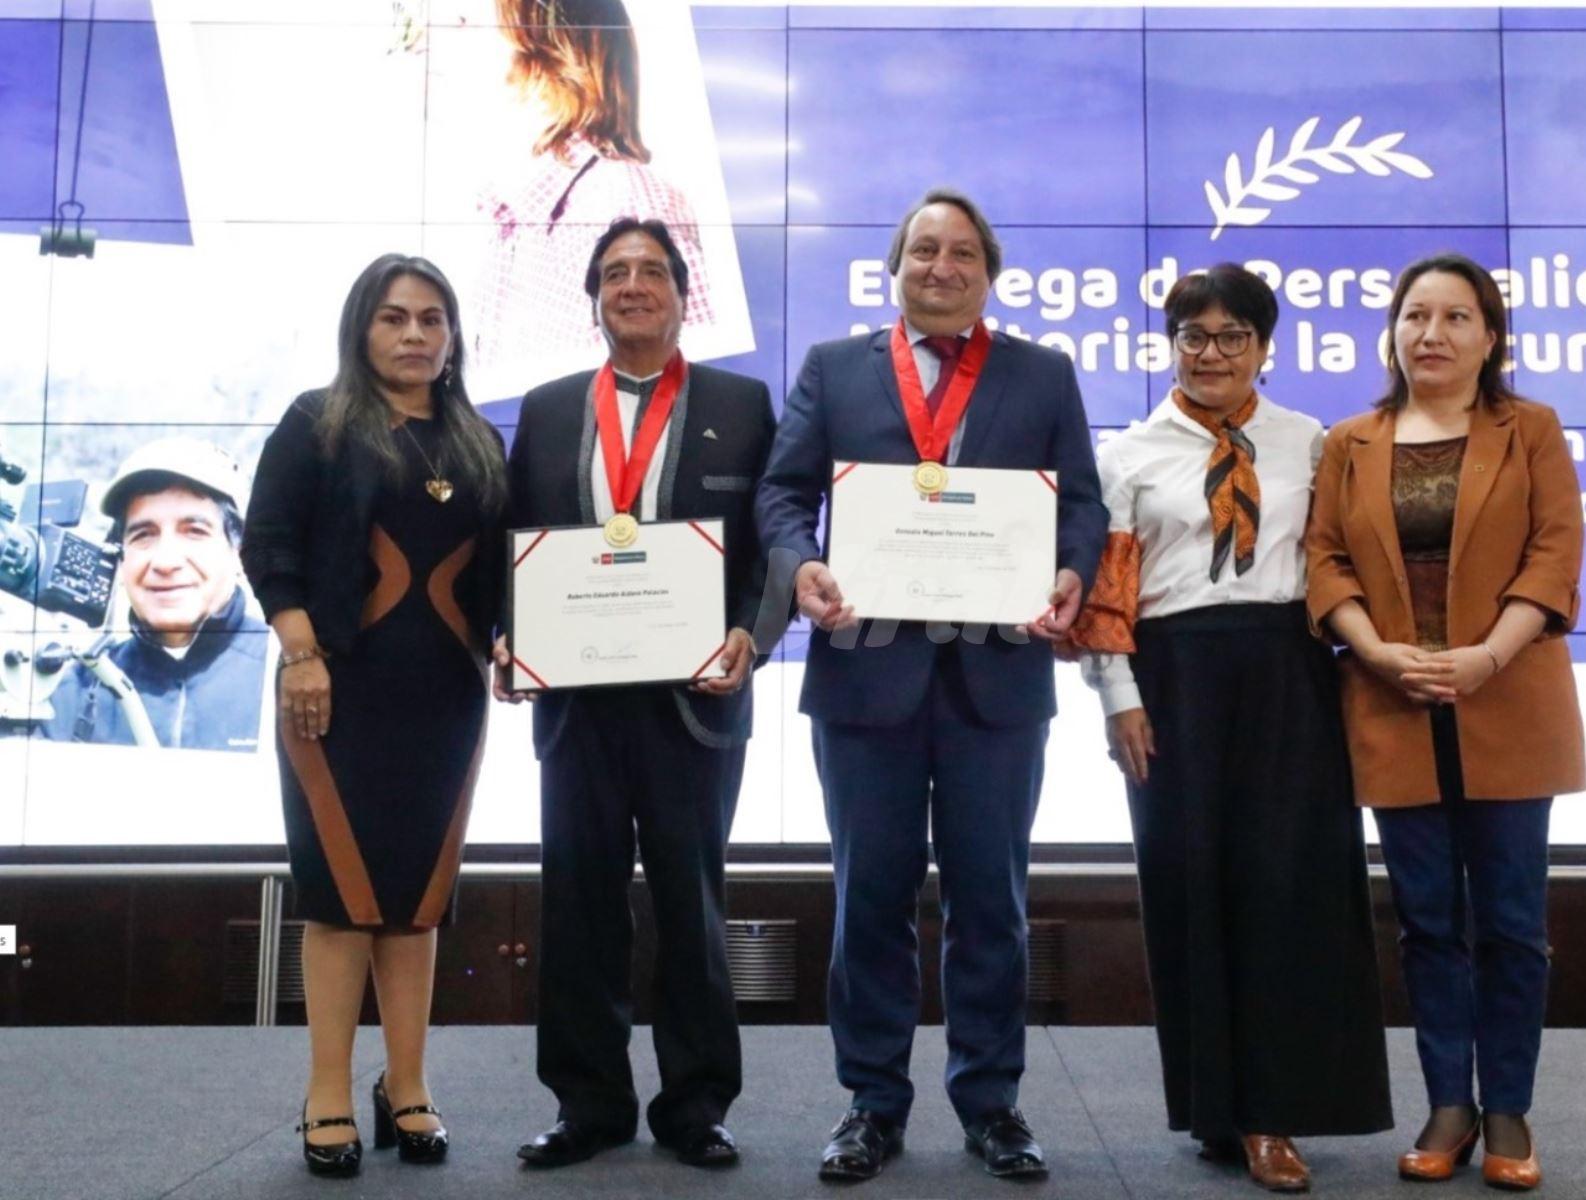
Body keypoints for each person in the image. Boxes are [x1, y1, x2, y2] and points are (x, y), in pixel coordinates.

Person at [756, 187, 1108, 1182]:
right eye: (922, 250)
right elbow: (783, 491)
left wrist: (1071, 572)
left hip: (998, 680)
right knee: (870, 898)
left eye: (961, 253)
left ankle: (991, 1104)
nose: (941, 267)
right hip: (865, 675)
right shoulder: (834, 368)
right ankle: (871, 1101)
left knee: (990, 902)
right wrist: (801, 563)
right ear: (894, 267)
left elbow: (1081, 504)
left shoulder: (1042, 374)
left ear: (988, 272)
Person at [1067, 264, 1392, 1193]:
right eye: (1193, 337)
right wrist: (1118, 696)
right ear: (1170, 345)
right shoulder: (1129, 453)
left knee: (1286, 888)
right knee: (1190, 887)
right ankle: (1215, 1102)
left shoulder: (1311, 443)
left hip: (1289, 671)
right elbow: (1110, 591)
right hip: (1173, 679)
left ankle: (1272, 1111)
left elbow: (1336, 563)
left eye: (1232, 337)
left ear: (1264, 346)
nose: (1212, 354)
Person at [498, 216, 774, 1172]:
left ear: (682, 296)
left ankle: (696, 1106)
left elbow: (771, 541)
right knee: (577, 904)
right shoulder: (547, 408)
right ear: (594, 300)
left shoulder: (742, 403)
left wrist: (752, 633)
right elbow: (512, 536)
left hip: (694, 699)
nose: (633, 285)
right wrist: (507, 634)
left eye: (652, 270)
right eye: (614, 272)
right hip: (576, 697)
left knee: (691, 910)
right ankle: (588, 1105)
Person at [1306, 252, 1586, 1192]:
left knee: (1511, 923)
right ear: (1391, 333)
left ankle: (1506, 1107)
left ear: (1490, 336)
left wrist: (1486, 657)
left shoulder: (1531, 429)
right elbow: (1325, 562)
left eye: (1456, 317)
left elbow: (1554, 556)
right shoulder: (1350, 441)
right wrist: (1378, 652)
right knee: (1426, 923)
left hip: (1509, 698)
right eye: (1415, 315)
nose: (1432, 334)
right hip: (1392, 701)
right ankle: (1448, 1107)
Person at [241, 253, 509, 1177]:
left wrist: (514, 646)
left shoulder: (479, 441)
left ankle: (407, 1085)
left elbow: (500, 577)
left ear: (453, 336)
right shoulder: (314, 422)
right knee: (340, 898)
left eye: (432, 319)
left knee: (417, 902)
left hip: (445, 703)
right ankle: (327, 1090)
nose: (414, 335)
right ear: (362, 329)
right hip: (332, 695)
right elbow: (268, 546)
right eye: (394, 318)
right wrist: (301, 653)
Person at [469, 0, 716, 386]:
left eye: (463, 23)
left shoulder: (629, 204)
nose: (421, 49)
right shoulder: (514, 224)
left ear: (552, 56)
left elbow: (694, 390)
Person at [42, 438, 269, 752]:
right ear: (120, 558)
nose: (165, 561)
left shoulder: (291, 675)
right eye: (143, 535)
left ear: (239, 552)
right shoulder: (76, 689)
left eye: (194, 532)